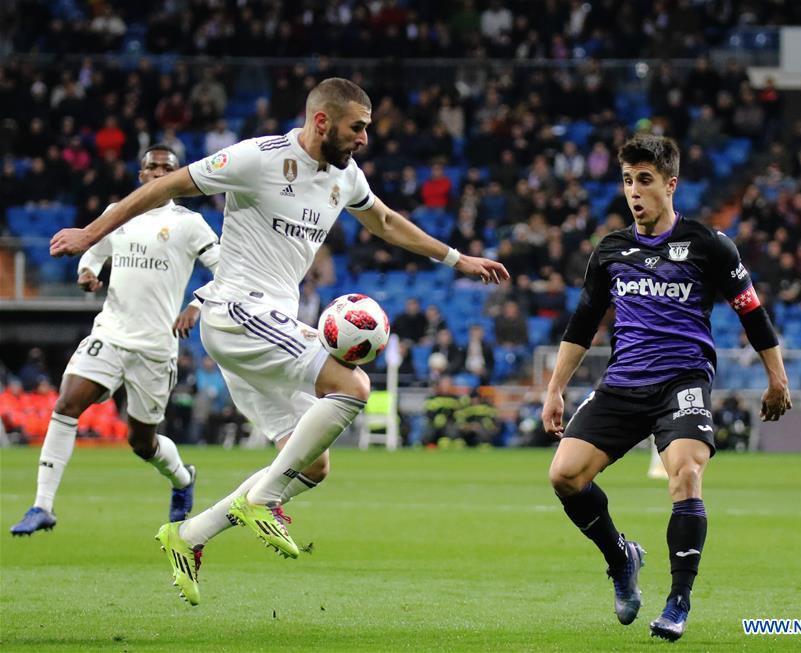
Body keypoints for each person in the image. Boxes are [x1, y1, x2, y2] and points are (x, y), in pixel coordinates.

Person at [49, 78, 508, 606]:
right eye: (357, 127)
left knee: (311, 464)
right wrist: (92, 232)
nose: (363, 138)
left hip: (264, 323)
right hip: (238, 311)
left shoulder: (345, 176)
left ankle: (189, 536)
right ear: (322, 121)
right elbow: (167, 185)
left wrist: (457, 259)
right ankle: (263, 499)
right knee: (353, 387)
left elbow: (381, 220)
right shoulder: (258, 158)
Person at [542, 134, 791, 642]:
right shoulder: (610, 250)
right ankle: (621, 558)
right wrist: (554, 389)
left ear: (670, 184)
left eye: (646, 181)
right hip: (621, 384)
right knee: (564, 477)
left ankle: (678, 600)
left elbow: (752, 312)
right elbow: (583, 324)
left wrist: (777, 377)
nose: (634, 191)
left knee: (685, 474)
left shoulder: (708, 245)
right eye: (628, 180)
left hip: (681, 382)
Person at [11, 144, 220, 536]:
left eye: (166, 168)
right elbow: (93, 249)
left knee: (142, 442)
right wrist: (87, 273)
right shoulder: (117, 214)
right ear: (140, 175)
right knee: (67, 403)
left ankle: (182, 479)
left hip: (155, 347)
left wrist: (196, 305)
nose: (158, 173)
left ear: (177, 178)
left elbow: (225, 269)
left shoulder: (189, 224)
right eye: (151, 167)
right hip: (110, 333)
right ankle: (42, 506)